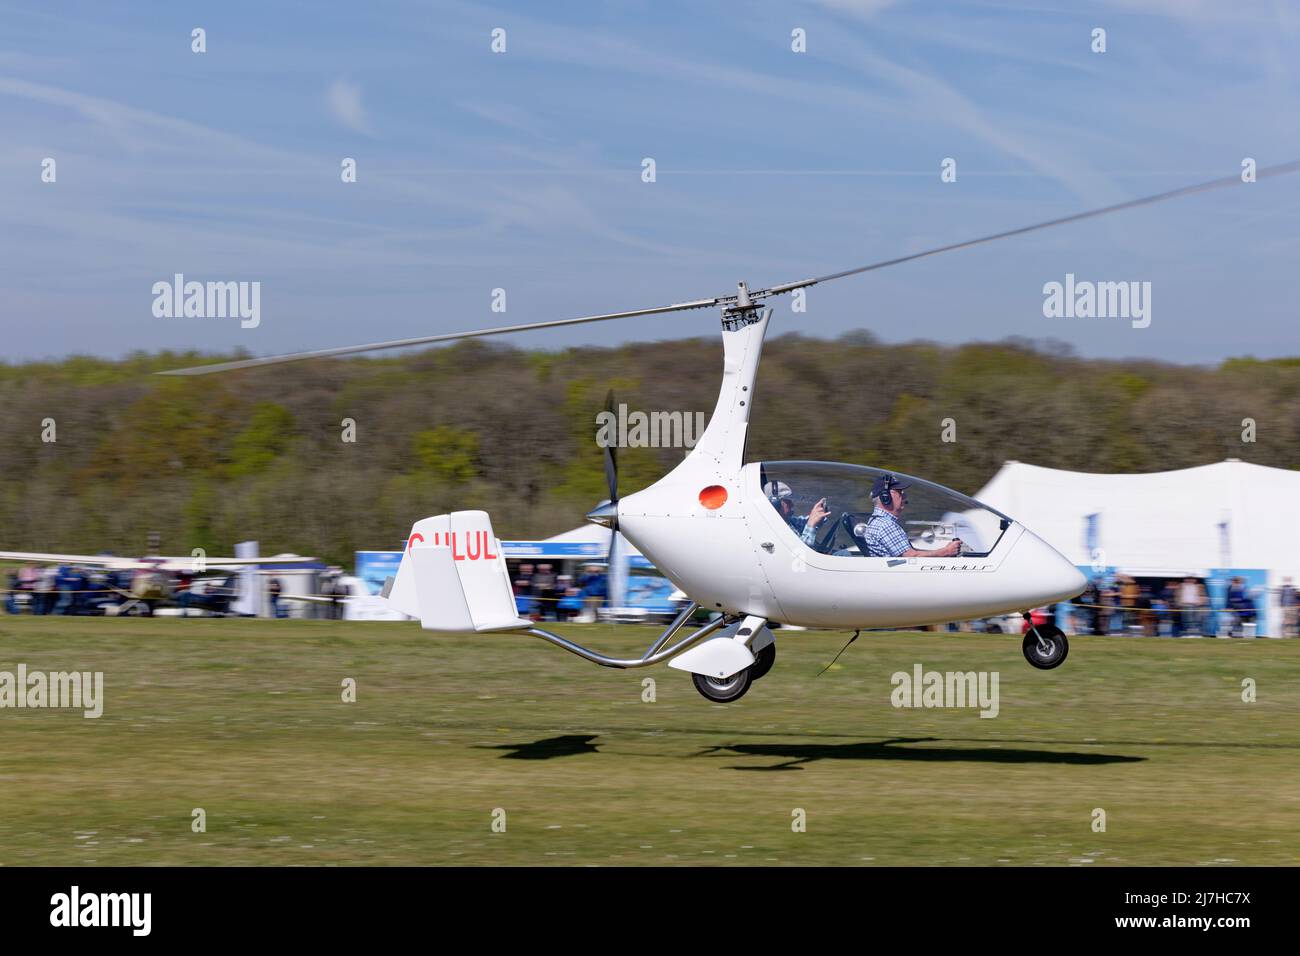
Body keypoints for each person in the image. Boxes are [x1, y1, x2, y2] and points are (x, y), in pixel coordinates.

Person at [860, 474, 961, 558]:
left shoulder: (879, 521)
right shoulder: (885, 525)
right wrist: (946, 551)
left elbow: (910, 553)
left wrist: (943, 551)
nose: (905, 497)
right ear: (885, 497)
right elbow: (912, 557)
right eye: (900, 492)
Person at [763, 480, 833, 549]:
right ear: (775, 504)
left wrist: (819, 514)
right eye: (788, 501)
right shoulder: (774, 530)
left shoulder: (787, 521)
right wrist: (811, 525)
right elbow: (802, 551)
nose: (792, 504)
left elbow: (802, 522)